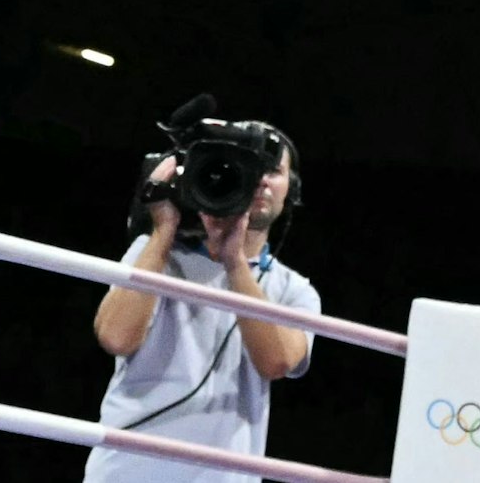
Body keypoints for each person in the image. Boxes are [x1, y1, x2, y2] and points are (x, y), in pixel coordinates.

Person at [84, 124, 319, 482]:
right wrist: (162, 228)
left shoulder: (296, 290)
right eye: (249, 166)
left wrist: (234, 263)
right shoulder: (154, 255)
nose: (259, 180)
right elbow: (115, 338)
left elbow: (277, 362)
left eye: (272, 169)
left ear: (293, 189)